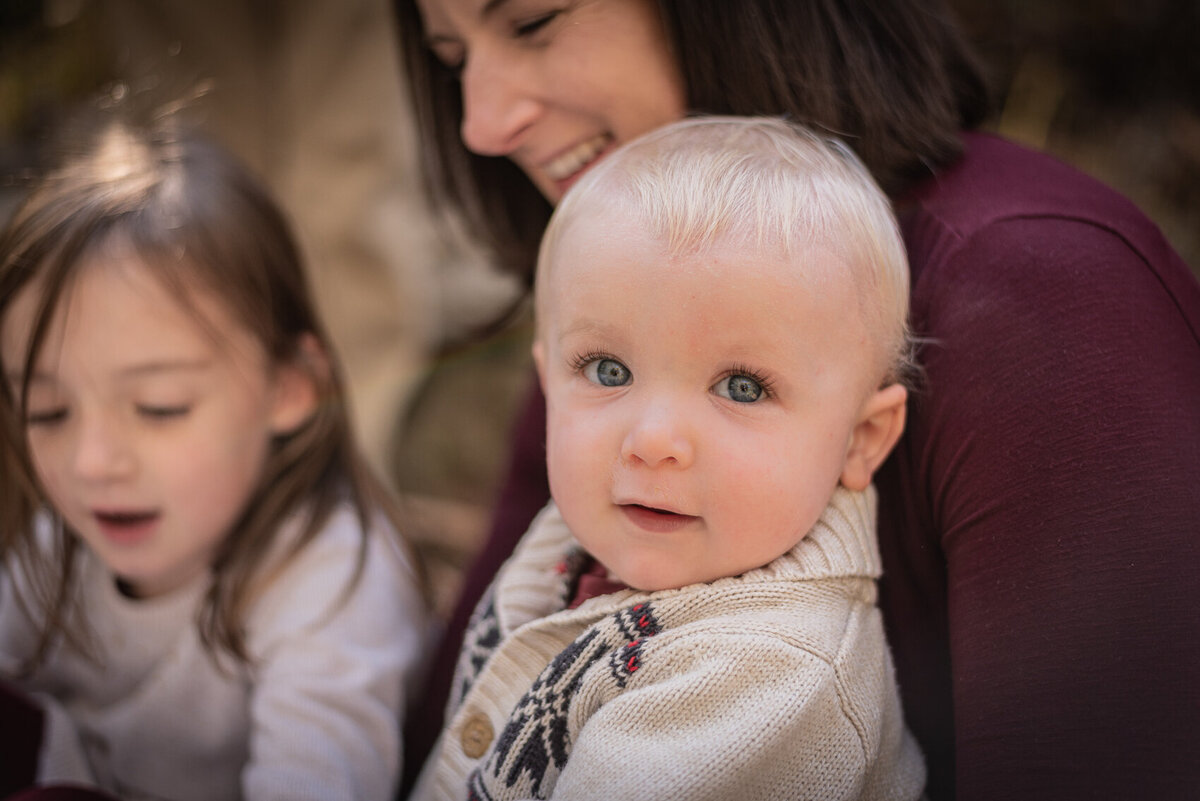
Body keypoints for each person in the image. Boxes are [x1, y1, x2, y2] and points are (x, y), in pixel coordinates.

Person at [395, 0, 1200, 798]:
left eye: (536, 22)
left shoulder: (1046, 294)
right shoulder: (638, 318)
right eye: (453, 58)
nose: (483, 124)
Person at [414, 115, 925, 801]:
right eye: (606, 369)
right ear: (548, 379)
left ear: (860, 439)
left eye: (741, 387)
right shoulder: (584, 537)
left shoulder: (765, 681)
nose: (652, 439)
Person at [0, 112, 428, 801]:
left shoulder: (333, 581)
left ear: (291, 387)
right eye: (47, 411)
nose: (91, 461)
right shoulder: (57, 547)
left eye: (160, 406)